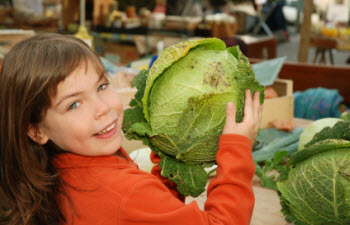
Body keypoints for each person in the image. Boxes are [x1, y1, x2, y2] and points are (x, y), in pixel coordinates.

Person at [0, 33, 263, 225]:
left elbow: (150, 212)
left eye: (102, 86)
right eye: (74, 104)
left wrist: (169, 162)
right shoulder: (122, 192)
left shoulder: (61, 167)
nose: (102, 107)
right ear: (36, 131)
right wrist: (237, 151)